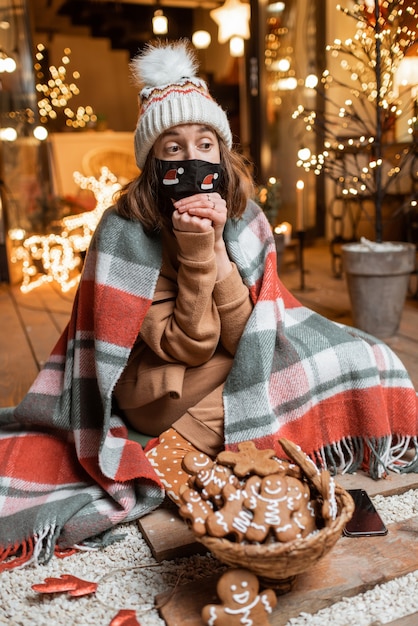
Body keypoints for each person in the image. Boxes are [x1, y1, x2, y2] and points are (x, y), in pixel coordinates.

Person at [0, 40, 417, 571]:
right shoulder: (124, 231)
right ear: (152, 161)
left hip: (227, 356)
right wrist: (199, 252)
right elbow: (186, 347)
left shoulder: (244, 218)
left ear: (222, 153)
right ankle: (177, 452)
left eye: (204, 144)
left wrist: (219, 248)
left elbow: (252, 334)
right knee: (276, 379)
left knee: (352, 351)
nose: (191, 159)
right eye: (172, 148)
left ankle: (231, 443)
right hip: (156, 384)